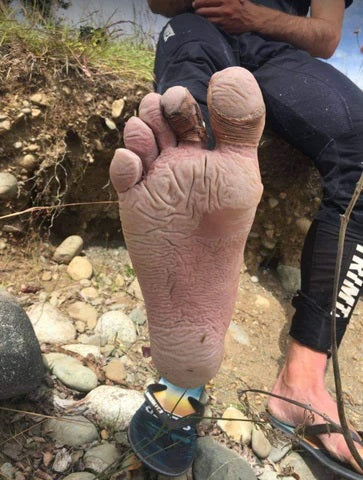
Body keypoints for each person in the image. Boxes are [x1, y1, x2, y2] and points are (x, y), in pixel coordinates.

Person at [110, 0, 363, 477]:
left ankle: (301, 383)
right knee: (188, 116)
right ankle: (183, 378)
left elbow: (327, 36)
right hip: (201, 29)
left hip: (280, 50)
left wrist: (253, 15)